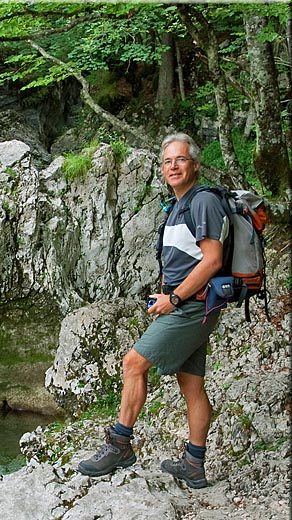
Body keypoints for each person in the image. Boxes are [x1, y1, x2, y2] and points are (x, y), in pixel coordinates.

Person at [77, 133, 226, 489]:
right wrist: (164, 293)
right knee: (191, 385)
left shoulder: (203, 201)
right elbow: (181, 260)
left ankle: (120, 445)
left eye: (181, 160)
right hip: (189, 306)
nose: (173, 166)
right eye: (167, 161)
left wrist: (173, 300)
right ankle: (194, 463)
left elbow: (213, 260)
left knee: (133, 363)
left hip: (191, 307)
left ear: (196, 165)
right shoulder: (177, 206)